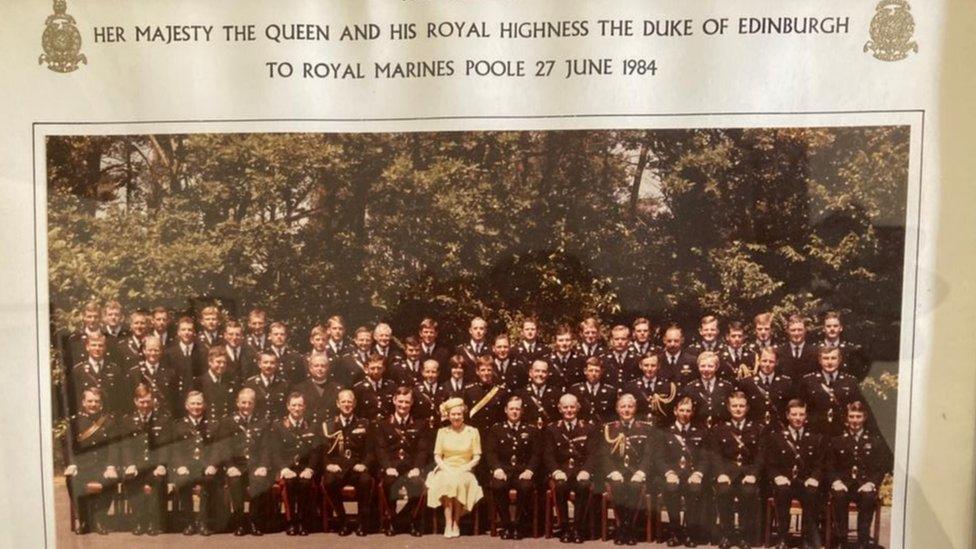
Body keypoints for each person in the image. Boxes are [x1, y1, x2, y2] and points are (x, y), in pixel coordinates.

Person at [827, 401, 891, 548]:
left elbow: (880, 468)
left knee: (868, 498)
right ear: (846, 419)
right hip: (843, 484)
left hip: (864, 485)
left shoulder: (875, 441)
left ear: (864, 418)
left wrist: (872, 483)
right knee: (839, 496)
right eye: (852, 416)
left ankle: (862, 541)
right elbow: (829, 466)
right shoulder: (837, 440)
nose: (855, 420)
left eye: (858, 417)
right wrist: (836, 481)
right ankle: (842, 540)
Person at [766, 399, 826, 549]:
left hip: (805, 481)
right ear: (787, 415)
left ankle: (806, 538)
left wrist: (814, 478)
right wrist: (777, 477)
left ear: (806, 416)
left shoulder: (815, 437)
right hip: (785, 481)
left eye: (801, 414)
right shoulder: (777, 437)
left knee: (812, 493)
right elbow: (770, 463)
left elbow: (820, 463)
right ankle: (783, 538)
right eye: (794, 414)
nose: (798, 418)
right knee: (782, 492)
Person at [708, 391, 763, 549]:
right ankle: (727, 534)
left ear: (747, 408)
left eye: (741, 406)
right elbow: (715, 455)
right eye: (734, 406)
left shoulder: (757, 428)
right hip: (727, 473)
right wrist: (720, 474)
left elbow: (761, 456)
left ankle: (744, 536)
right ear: (728, 407)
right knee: (723, 492)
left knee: (748, 493)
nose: (738, 409)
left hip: (748, 474)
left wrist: (753, 475)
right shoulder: (719, 429)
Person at [596, 393, 653, 546]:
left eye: (630, 406)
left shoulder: (646, 428)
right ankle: (622, 527)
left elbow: (649, 454)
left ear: (635, 408)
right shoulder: (609, 428)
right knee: (617, 487)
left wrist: (641, 472)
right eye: (623, 406)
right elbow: (603, 454)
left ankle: (631, 528)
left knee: (635, 487)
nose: (626, 410)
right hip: (617, 472)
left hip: (636, 472)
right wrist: (612, 471)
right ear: (617, 409)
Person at [213, 388, 271, 536]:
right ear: (237, 403)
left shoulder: (262, 421)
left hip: (255, 465)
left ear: (254, 404)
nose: (246, 406)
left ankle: (253, 521)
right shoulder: (227, 422)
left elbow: (266, 447)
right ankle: (239, 522)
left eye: (250, 403)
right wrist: (230, 466)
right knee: (235, 480)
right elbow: (224, 448)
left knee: (259, 480)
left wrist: (263, 466)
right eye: (243, 402)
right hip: (236, 465)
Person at [376, 387, 431, 536]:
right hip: (391, 467)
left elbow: (422, 450)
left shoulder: (420, 424)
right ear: (394, 401)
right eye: (400, 401)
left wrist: (417, 468)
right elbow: (381, 449)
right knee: (388, 483)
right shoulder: (383, 423)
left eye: (407, 402)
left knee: (418, 484)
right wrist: (387, 467)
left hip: (410, 466)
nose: (403, 405)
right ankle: (392, 521)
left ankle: (411, 521)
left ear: (412, 402)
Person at [426, 397, 484, 538]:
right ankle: (448, 522)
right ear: (448, 416)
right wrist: (446, 468)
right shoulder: (442, 432)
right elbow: (437, 456)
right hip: (445, 468)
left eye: (459, 414)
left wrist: (464, 468)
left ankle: (456, 522)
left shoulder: (472, 431)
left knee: (457, 481)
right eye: (453, 414)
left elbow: (477, 456)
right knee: (448, 481)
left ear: (463, 415)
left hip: (465, 469)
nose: (456, 417)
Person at [117, 383, 171, 536]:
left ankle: (154, 522)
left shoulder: (163, 419)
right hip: (136, 465)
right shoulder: (127, 421)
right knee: (130, 479)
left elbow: (166, 445)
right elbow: (125, 446)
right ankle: (139, 521)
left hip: (155, 465)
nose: (145, 405)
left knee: (158, 479)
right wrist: (129, 465)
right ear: (135, 401)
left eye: (148, 401)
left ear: (152, 400)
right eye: (142, 402)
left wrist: (161, 464)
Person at [485, 396, 542, 540]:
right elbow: (490, 452)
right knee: (497, 487)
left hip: (523, 471)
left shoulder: (531, 429)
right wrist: (497, 469)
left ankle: (517, 524)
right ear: (506, 410)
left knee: (526, 487)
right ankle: (506, 524)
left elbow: (536, 454)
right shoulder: (496, 429)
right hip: (503, 470)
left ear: (522, 411)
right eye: (512, 409)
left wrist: (529, 470)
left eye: (517, 409)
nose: (514, 412)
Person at [654, 396, 707, 548]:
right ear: (675, 411)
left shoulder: (701, 432)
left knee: (695, 489)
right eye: (682, 410)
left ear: (692, 412)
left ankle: (690, 533)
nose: (685, 413)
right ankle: (675, 533)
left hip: (692, 474)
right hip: (672, 474)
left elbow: (705, 458)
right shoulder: (665, 432)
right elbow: (659, 457)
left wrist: (698, 474)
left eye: (688, 411)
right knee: (671, 489)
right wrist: (668, 473)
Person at [321, 389, 375, 536]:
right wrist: (328, 465)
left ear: (355, 404)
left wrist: (364, 464)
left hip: (357, 467)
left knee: (366, 480)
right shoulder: (329, 425)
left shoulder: (364, 423)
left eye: (349, 402)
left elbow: (370, 451)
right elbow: (323, 451)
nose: (346, 405)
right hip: (336, 467)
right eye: (343, 402)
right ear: (338, 404)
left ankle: (362, 522)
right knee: (328, 482)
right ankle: (343, 519)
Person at [63, 387, 117, 535]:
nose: (93, 404)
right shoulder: (74, 422)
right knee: (71, 479)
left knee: (111, 479)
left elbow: (113, 445)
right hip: (82, 466)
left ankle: (100, 520)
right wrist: (72, 464)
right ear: (83, 402)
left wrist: (111, 465)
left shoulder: (109, 421)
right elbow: (69, 446)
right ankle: (84, 520)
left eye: (97, 401)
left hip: (102, 465)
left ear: (101, 404)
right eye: (90, 401)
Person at [543, 393, 595, 543]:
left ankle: (578, 528)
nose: (569, 410)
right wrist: (556, 471)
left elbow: (593, 454)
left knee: (583, 487)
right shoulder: (552, 429)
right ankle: (565, 527)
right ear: (560, 408)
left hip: (581, 471)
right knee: (560, 488)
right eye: (565, 407)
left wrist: (586, 470)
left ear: (578, 407)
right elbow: (548, 455)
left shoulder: (588, 428)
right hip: (561, 471)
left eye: (572, 407)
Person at [268, 392, 318, 536]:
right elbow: (274, 452)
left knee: (305, 483)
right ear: (288, 407)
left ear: (304, 407)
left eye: (300, 405)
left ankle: (302, 521)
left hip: (304, 467)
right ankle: (290, 521)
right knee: (289, 483)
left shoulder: (312, 425)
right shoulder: (278, 425)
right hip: (285, 467)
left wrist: (309, 469)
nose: (297, 408)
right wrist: (283, 468)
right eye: (294, 405)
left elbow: (315, 451)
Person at [169, 391, 218, 536]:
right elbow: (174, 449)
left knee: (209, 482)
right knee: (183, 481)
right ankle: (189, 522)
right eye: (193, 403)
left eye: (199, 403)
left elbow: (217, 447)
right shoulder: (178, 425)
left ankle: (203, 523)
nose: (196, 407)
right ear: (186, 406)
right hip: (186, 466)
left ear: (204, 406)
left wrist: (213, 464)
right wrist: (179, 466)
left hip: (205, 466)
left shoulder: (212, 425)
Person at [799, 346, 866, 436]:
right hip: (815, 433)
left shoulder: (850, 382)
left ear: (839, 360)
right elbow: (801, 408)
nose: (829, 362)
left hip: (842, 433)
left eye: (833, 358)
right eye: (826, 358)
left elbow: (858, 408)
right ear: (819, 360)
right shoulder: (808, 381)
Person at [68, 332, 125, 416]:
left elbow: (121, 398)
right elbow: (74, 399)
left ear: (105, 347)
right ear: (87, 347)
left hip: (109, 420)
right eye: (93, 345)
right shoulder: (78, 370)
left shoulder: (115, 370)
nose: (97, 348)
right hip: (86, 421)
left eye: (100, 345)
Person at [738, 347, 793, 429]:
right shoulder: (747, 383)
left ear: (777, 362)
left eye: (771, 362)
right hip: (754, 429)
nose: (767, 364)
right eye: (764, 361)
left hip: (777, 429)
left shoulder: (785, 382)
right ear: (759, 361)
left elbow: (789, 408)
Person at [125, 335, 179, 416]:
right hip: (142, 416)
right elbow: (129, 399)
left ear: (161, 351)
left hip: (163, 418)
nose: (153, 353)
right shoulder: (134, 373)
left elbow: (173, 399)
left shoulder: (170, 373)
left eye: (156, 350)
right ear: (144, 350)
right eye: (150, 350)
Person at [679, 351, 735, 430]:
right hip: (697, 431)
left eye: (710, 366)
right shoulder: (690, 388)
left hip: (722, 430)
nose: (706, 369)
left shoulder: (727, 387)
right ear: (698, 367)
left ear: (716, 367)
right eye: (703, 366)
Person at [624, 353, 677, 428]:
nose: (649, 369)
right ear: (640, 366)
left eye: (653, 366)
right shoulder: (631, 387)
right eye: (646, 365)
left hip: (661, 429)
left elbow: (671, 412)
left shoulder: (668, 387)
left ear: (658, 366)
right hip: (638, 429)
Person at [162, 316, 207, 400]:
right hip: (176, 397)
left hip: (197, 397)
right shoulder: (169, 353)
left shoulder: (202, 352)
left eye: (189, 330)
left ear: (194, 332)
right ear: (178, 332)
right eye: (183, 329)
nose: (186, 332)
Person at [291, 353, 343, 426]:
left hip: (331, 429)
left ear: (328, 367)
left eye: (323, 366)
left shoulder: (338, 389)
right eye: (316, 366)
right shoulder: (300, 389)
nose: (320, 369)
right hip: (308, 429)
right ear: (310, 368)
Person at [463, 356, 510, 434]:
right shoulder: (469, 391)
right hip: (475, 433)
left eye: (489, 370)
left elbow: (503, 417)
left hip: (495, 433)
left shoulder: (501, 392)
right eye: (483, 370)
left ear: (493, 372)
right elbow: (466, 416)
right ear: (477, 371)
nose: (486, 373)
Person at [818, 311, 869, 380]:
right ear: (823, 329)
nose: (832, 329)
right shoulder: (815, 350)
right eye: (828, 326)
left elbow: (858, 375)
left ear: (841, 328)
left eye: (835, 326)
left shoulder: (851, 350)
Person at [568, 357, 619, 424]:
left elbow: (613, 414)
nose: (593, 374)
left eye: (597, 371)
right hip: (581, 429)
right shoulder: (575, 390)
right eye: (591, 370)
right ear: (585, 371)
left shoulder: (610, 391)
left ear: (601, 372)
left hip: (602, 428)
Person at [242, 350, 289, 421]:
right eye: (265, 362)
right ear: (259, 364)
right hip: (256, 423)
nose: (268, 366)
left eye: (272, 363)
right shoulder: (251, 383)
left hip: (277, 424)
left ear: (277, 365)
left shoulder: (283, 384)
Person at [196, 347, 238, 423]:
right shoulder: (199, 382)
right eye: (218, 362)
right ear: (210, 362)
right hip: (206, 425)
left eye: (224, 362)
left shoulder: (230, 381)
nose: (222, 365)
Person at [515, 359, 562, 427]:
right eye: (537, 371)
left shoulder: (557, 394)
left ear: (548, 374)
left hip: (550, 434)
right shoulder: (520, 393)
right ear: (530, 373)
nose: (540, 374)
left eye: (544, 371)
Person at [352, 354, 397, 422]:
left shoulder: (391, 386)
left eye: (379, 368)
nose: (376, 372)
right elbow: (356, 412)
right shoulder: (359, 388)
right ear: (366, 369)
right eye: (372, 368)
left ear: (384, 368)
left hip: (387, 426)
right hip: (367, 427)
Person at [776, 315, 818, 381]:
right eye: (793, 330)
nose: (796, 333)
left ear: (805, 330)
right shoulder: (779, 352)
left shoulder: (815, 352)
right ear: (787, 331)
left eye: (800, 330)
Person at [413, 359, 449, 428]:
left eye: (433, 372)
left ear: (438, 373)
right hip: (421, 429)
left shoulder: (445, 390)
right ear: (422, 372)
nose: (430, 375)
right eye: (427, 372)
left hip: (439, 428)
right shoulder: (416, 391)